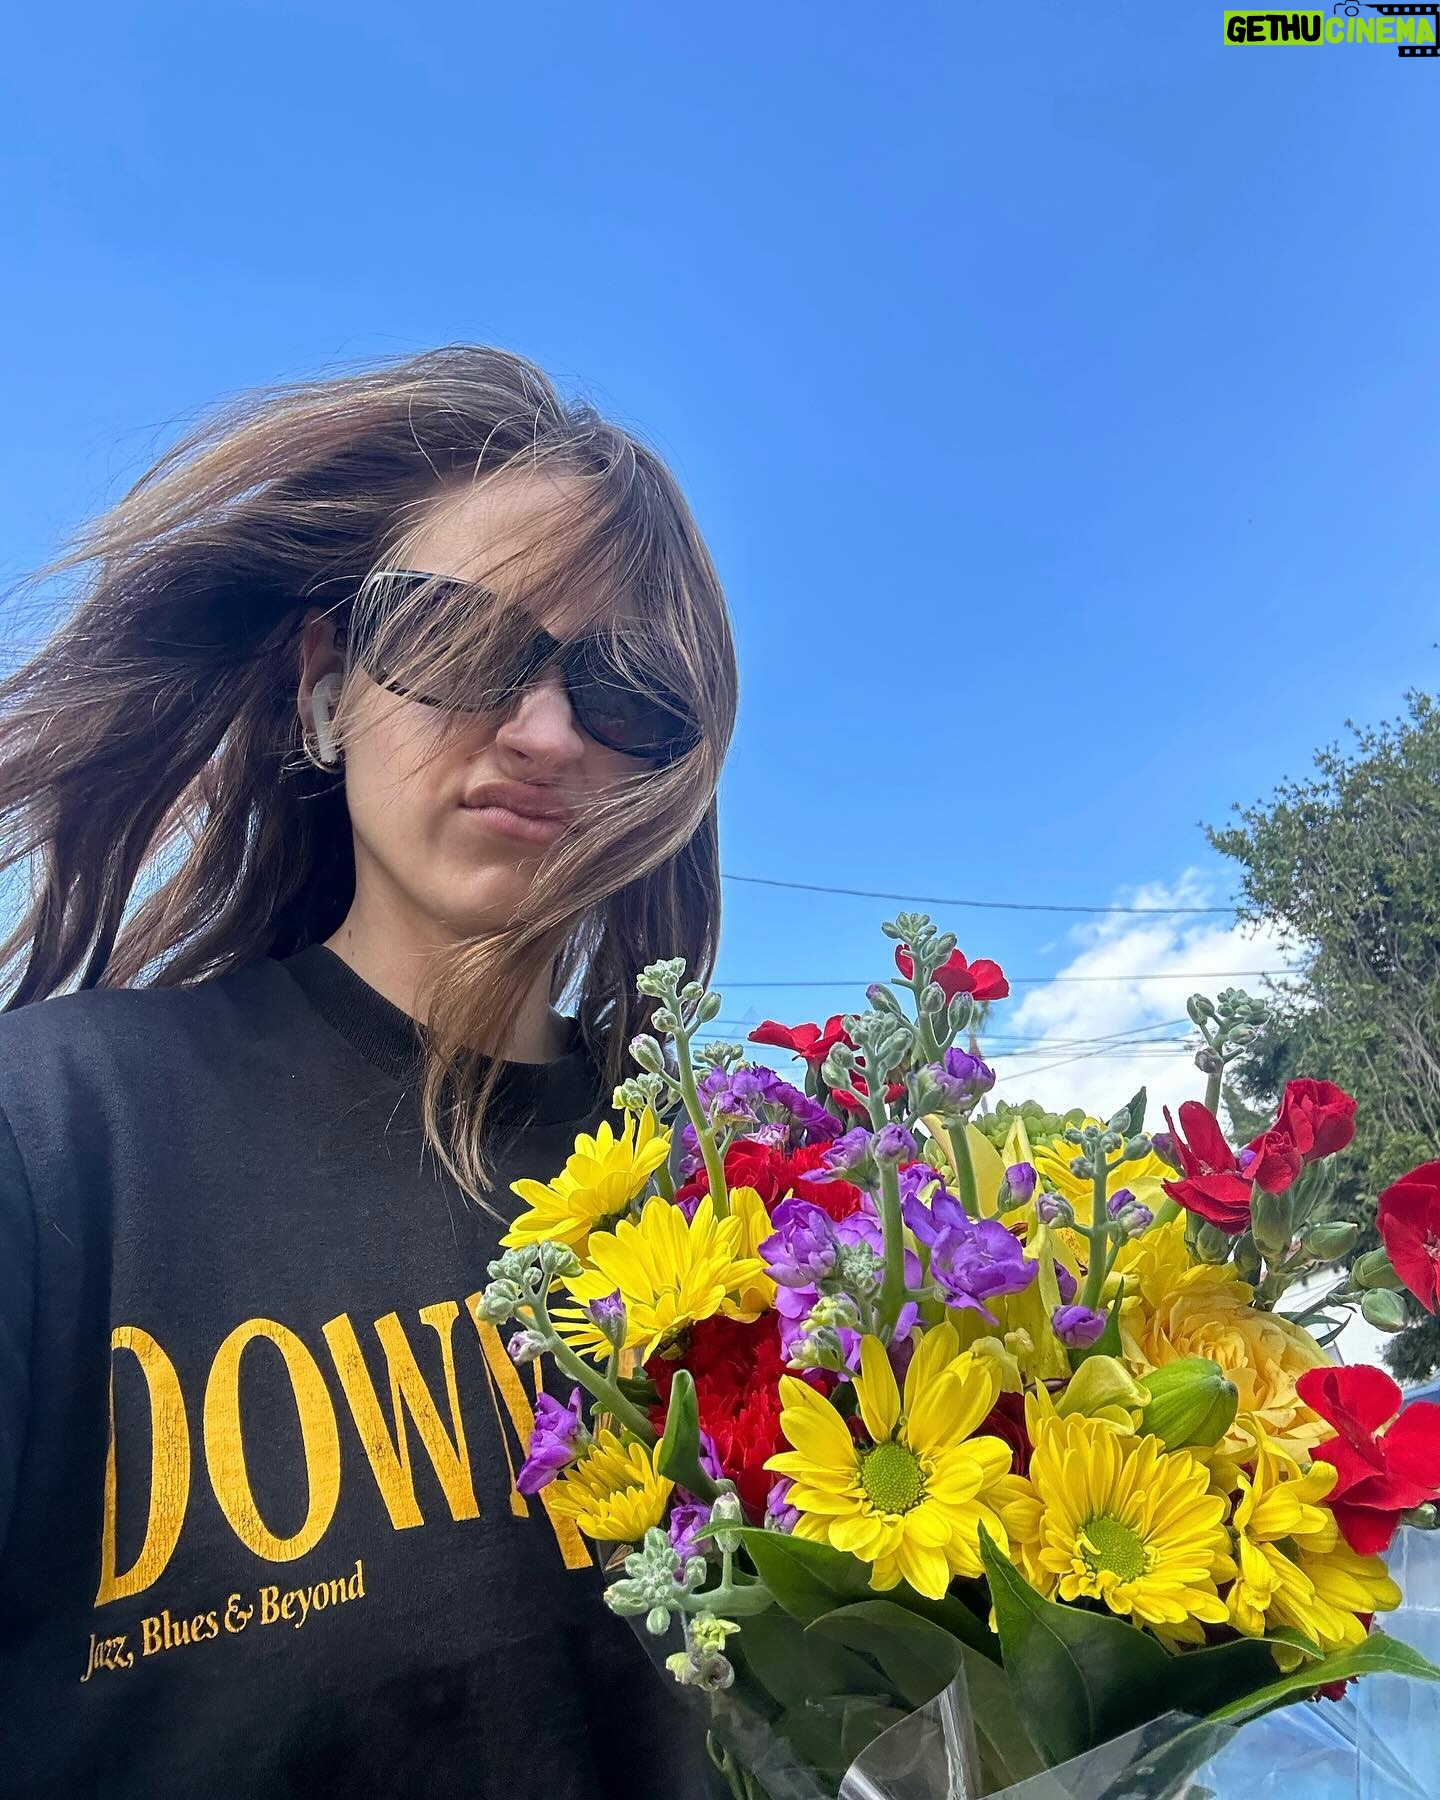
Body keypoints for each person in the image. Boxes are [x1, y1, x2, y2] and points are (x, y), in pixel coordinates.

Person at [0, 345, 737, 1797]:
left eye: (628, 693)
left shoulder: (751, 1199)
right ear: (326, 690)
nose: (544, 733)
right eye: (458, 640)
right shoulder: (54, 1139)